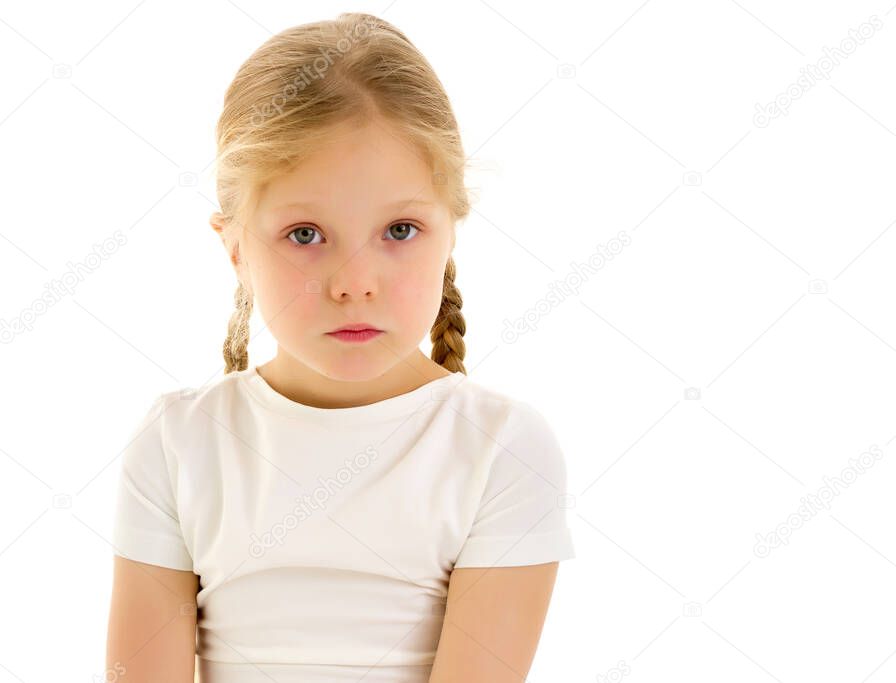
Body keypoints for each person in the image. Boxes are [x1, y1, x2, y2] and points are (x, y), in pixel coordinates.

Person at [104, 12, 575, 683]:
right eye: (305, 234)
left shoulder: (500, 446)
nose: (355, 283)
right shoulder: (180, 441)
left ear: (451, 229)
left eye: (400, 229)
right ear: (235, 246)